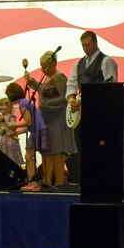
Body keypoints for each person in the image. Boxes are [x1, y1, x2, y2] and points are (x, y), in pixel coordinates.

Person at [66, 30, 119, 180]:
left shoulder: (107, 61)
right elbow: (71, 84)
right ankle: (85, 180)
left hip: (99, 114)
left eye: (88, 45)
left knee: (98, 149)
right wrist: (71, 99)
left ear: (95, 43)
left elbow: (110, 86)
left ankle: (100, 180)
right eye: (83, 45)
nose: (85, 48)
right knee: (82, 148)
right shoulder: (79, 63)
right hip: (82, 114)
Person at [25, 50, 75, 186]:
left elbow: (64, 98)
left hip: (57, 120)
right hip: (48, 119)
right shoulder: (49, 78)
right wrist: (32, 82)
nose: (42, 69)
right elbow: (44, 90)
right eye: (41, 66)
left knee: (57, 154)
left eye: (45, 66)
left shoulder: (60, 78)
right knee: (48, 152)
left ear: (54, 64)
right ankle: (47, 181)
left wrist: (46, 104)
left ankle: (59, 182)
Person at [5, 82, 46, 189]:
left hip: (37, 131)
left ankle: (32, 182)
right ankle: (33, 181)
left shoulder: (23, 105)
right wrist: (18, 132)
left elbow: (28, 122)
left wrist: (14, 124)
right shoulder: (25, 102)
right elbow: (30, 124)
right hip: (39, 130)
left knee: (28, 157)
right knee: (31, 156)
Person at [0, 97, 24, 167]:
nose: (0, 107)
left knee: (11, 158)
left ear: (9, 107)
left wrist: (4, 121)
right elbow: (0, 129)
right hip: (1, 139)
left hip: (10, 139)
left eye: (3, 105)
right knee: (2, 157)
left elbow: (13, 128)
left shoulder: (11, 116)